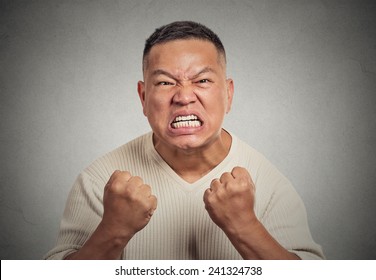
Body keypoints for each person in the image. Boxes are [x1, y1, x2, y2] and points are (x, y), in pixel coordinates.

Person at [45, 21, 324, 260]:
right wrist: (112, 231)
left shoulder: (267, 181)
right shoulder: (99, 180)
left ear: (228, 94)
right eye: (166, 82)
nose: (184, 96)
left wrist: (246, 226)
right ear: (143, 98)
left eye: (202, 81)